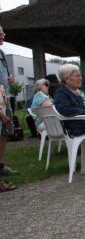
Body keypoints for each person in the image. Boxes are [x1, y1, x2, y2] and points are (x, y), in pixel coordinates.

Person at [0, 26, 19, 192]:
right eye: (0, 33)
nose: (3, 35)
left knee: (4, 133)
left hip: (5, 99)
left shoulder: (2, 54)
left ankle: (1, 166)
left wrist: (9, 78)